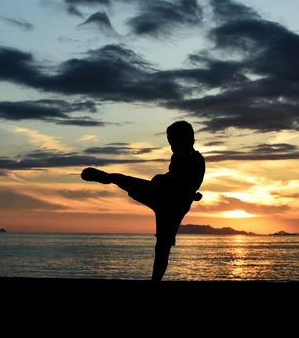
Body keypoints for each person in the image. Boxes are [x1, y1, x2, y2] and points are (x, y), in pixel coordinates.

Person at [81, 120, 206, 282]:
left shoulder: (194, 159)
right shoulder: (178, 157)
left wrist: (189, 193)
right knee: (162, 245)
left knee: (163, 245)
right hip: (165, 197)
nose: (171, 146)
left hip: (171, 201)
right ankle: (108, 177)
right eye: (170, 142)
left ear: (187, 139)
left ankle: (155, 281)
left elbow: (184, 184)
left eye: (173, 142)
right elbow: (179, 182)